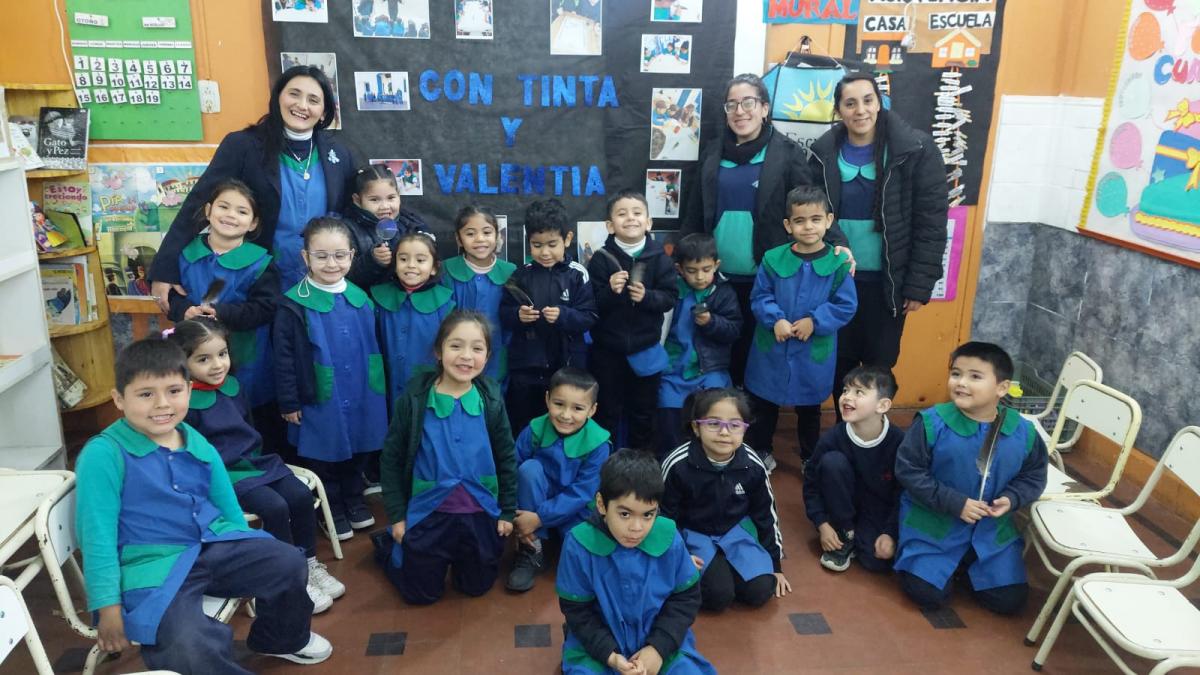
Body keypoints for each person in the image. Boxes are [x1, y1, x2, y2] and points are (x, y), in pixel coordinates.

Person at [75, 339, 331, 673]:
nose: (162, 404)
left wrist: (248, 549)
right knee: (187, 645)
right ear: (119, 399)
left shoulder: (193, 438)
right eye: (146, 394)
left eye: (174, 391)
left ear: (188, 391)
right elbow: (97, 537)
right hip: (152, 565)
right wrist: (107, 606)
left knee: (287, 561)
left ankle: (279, 638)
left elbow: (228, 509)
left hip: (212, 544)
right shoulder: (103, 454)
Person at [168, 318, 345, 612]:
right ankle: (291, 578)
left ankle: (309, 564)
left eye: (222, 354)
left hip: (256, 461)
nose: (217, 365)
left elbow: (248, 428)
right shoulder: (184, 402)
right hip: (224, 474)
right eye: (203, 359)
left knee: (300, 496)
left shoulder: (235, 386)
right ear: (182, 362)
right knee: (275, 507)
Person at [683, 73, 846, 387]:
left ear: (765, 108)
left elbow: (810, 205)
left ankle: (749, 426)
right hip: (715, 279)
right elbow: (694, 209)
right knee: (716, 352)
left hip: (765, 279)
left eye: (748, 102)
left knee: (754, 356)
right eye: (732, 104)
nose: (740, 111)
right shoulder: (713, 152)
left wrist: (839, 242)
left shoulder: (786, 153)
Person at [150, 66, 355, 308]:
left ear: (323, 112)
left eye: (313, 100)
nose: (302, 105)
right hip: (258, 281)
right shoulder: (243, 145)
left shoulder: (339, 154)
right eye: (294, 94)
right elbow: (198, 202)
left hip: (322, 276)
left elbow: (355, 210)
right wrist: (165, 268)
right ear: (278, 97)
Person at [808, 72, 949, 417]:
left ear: (880, 103)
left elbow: (931, 221)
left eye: (867, 100)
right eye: (850, 103)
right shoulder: (822, 152)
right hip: (837, 281)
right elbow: (813, 212)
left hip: (888, 284)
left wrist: (918, 284)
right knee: (838, 364)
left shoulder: (915, 150)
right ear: (839, 109)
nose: (860, 110)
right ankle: (845, 436)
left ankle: (872, 436)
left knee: (879, 364)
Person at [375, 310, 518, 605]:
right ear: (438, 351)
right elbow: (391, 459)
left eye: (477, 348)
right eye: (456, 346)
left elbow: (506, 457)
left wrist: (506, 511)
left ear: (488, 356)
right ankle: (388, 544)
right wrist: (398, 517)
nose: (466, 356)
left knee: (476, 587)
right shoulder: (414, 400)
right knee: (421, 595)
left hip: (480, 511)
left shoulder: (490, 400)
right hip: (429, 513)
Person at [894, 342, 1048, 615]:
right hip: (933, 526)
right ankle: (942, 563)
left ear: (1002, 387)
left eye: (975, 376)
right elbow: (909, 471)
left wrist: (1012, 498)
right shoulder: (932, 422)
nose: (961, 383)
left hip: (991, 531)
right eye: (956, 373)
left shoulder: (1023, 431)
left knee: (1010, 601)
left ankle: (968, 563)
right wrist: (955, 503)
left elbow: (1033, 475)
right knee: (928, 596)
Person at [273, 217, 387, 541]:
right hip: (321, 395)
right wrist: (289, 401)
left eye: (339, 255)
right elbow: (282, 358)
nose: (331, 263)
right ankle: (330, 507)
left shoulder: (361, 298)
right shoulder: (292, 304)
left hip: (364, 390)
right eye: (321, 255)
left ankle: (353, 498)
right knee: (323, 452)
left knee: (359, 449)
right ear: (305, 257)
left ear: (352, 256)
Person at [557, 449, 717, 675]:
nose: (636, 528)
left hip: (660, 640)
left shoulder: (670, 539)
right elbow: (577, 611)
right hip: (600, 647)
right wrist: (609, 655)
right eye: (625, 514)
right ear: (602, 505)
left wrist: (657, 649)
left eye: (648, 515)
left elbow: (685, 599)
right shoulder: (578, 544)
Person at [744, 186, 857, 471]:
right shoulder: (772, 258)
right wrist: (775, 319)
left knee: (810, 409)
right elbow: (760, 296)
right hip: (773, 347)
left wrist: (815, 322)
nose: (808, 227)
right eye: (800, 220)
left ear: (829, 221)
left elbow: (845, 305)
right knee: (764, 405)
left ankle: (809, 456)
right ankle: (762, 451)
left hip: (813, 351)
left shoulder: (839, 263)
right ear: (788, 225)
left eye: (816, 219)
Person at [660, 389, 790, 612]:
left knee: (760, 590)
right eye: (713, 423)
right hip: (692, 534)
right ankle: (712, 572)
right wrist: (677, 555)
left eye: (735, 425)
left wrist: (775, 564)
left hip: (734, 533)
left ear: (745, 429)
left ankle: (725, 567)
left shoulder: (752, 464)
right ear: (696, 427)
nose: (724, 432)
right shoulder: (678, 464)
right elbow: (663, 516)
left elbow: (767, 514)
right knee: (718, 597)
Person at [166, 179, 279, 416]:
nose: (230, 215)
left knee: (246, 412)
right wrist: (184, 310)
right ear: (208, 211)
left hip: (246, 353)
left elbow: (265, 308)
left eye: (242, 211)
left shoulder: (260, 263)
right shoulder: (185, 254)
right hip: (193, 351)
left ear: (253, 223)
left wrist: (222, 313)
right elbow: (172, 296)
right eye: (223, 207)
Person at [585, 190, 676, 452]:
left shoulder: (660, 259)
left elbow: (670, 298)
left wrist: (647, 297)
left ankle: (640, 468)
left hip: (646, 350)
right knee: (607, 413)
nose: (630, 218)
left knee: (643, 414)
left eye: (637, 213)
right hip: (607, 353)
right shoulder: (601, 259)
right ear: (610, 225)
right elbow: (592, 304)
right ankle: (606, 465)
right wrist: (610, 293)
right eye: (622, 214)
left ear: (648, 223)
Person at [507, 367, 611, 592]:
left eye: (578, 408)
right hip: (532, 503)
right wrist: (514, 515)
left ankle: (550, 534)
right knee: (528, 470)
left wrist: (540, 517)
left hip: (576, 510)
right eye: (559, 404)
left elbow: (583, 493)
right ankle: (531, 548)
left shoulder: (599, 444)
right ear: (547, 399)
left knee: (583, 561)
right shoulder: (534, 429)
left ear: (592, 410)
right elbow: (511, 470)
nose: (566, 415)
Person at [500, 199, 597, 435]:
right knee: (523, 424)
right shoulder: (521, 274)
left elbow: (590, 316)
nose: (544, 252)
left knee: (562, 424)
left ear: (567, 239)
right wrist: (518, 315)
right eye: (537, 245)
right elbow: (504, 313)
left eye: (552, 244)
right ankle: (522, 466)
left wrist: (563, 315)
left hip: (565, 365)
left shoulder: (577, 274)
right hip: (526, 365)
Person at [804, 365, 904, 573]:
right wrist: (822, 523)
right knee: (833, 462)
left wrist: (890, 532)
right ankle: (845, 532)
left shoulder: (900, 442)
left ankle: (861, 537)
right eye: (845, 390)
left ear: (883, 405)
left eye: (859, 392)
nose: (847, 397)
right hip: (840, 505)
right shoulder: (832, 438)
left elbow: (904, 493)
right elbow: (811, 485)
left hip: (877, 508)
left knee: (877, 562)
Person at [656, 234, 741, 457]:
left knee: (716, 412)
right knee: (667, 417)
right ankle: (670, 462)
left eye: (706, 269)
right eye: (692, 271)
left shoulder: (723, 292)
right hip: (672, 370)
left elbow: (734, 330)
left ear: (716, 265)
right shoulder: (671, 291)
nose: (700, 277)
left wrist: (712, 323)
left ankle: (710, 459)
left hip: (709, 370)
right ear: (679, 269)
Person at [371, 231, 455, 409]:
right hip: (387, 385)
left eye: (420, 260)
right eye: (403, 259)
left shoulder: (445, 305)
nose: (411, 265)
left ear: (434, 267)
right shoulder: (378, 298)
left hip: (428, 386)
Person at [440, 205, 516, 382]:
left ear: (498, 236)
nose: (480, 239)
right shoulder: (445, 271)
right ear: (459, 239)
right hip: (457, 357)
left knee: (493, 398)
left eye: (487, 232)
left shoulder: (511, 272)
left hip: (497, 356)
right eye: (470, 233)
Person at [343, 164, 432, 290]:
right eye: (374, 200)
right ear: (357, 200)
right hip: (370, 301)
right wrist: (372, 261)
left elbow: (432, 267)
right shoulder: (346, 231)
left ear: (399, 196)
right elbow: (345, 275)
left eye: (391, 198)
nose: (385, 206)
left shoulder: (413, 225)